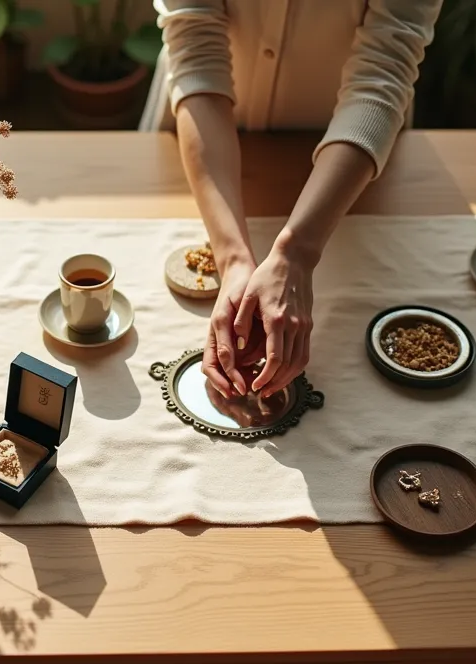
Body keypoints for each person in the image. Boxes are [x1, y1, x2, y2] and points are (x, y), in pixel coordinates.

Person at [143, 0, 441, 399]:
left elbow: (383, 74)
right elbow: (197, 51)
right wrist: (232, 259)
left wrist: (296, 253)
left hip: (349, 160)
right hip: (204, 129)